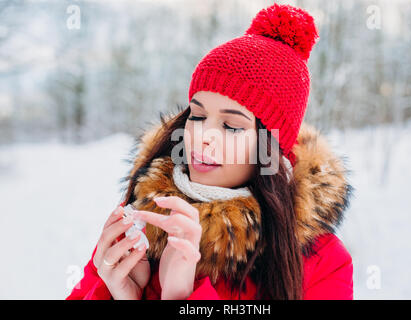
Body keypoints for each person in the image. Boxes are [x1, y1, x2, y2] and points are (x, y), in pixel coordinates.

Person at [66, 3, 354, 300]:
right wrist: (118, 294)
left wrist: (182, 297)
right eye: (198, 116)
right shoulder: (143, 223)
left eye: (231, 126)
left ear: (270, 147)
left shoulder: (324, 263)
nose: (202, 137)